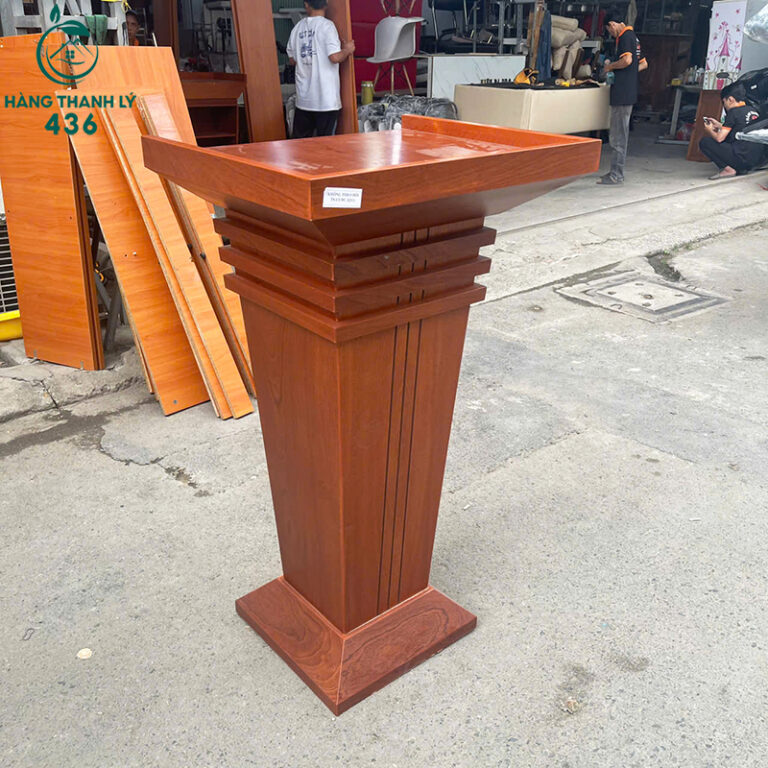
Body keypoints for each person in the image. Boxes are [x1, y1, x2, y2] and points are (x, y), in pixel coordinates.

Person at [286, 0, 355, 138]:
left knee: (300, 145)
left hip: (304, 100)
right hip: (325, 101)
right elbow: (334, 57)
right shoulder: (327, 26)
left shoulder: (297, 28)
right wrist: (347, 50)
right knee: (326, 145)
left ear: (306, 4)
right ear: (326, 4)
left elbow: (292, 60)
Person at [597, 8, 642, 185]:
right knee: (619, 134)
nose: (610, 33)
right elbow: (642, 63)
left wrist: (610, 67)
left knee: (618, 135)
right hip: (627, 91)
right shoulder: (634, 38)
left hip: (622, 94)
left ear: (612, 24)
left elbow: (627, 61)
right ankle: (615, 172)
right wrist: (629, 75)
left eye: (609, 30)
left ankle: (616, 174)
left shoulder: (625, 37)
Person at [699, 83, 762, 179]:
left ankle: (728, 169)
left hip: (741, 159)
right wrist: (719, 125)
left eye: (724, 102)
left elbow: (720, 138)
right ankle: (741, 169)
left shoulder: (733, 112)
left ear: (730, 99)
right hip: (755, 161)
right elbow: (739, 128)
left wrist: (709, 130)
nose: (724, 105)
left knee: (705, 142)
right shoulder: (753, 110)